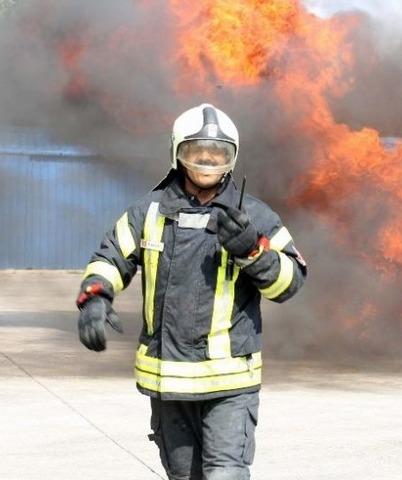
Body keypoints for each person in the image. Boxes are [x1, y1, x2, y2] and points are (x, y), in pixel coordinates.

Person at [75, 103, 307, 480]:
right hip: (168, 382)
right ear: (177, 154)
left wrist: (252, 250)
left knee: (226, 475)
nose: (207, 162)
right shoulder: (147, 213)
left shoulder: (253, 216)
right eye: (197, 152)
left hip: (231, 384)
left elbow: (291, 281)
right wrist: (95, 297)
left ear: (232, 158)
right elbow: (110, 258)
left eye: (218, 154)